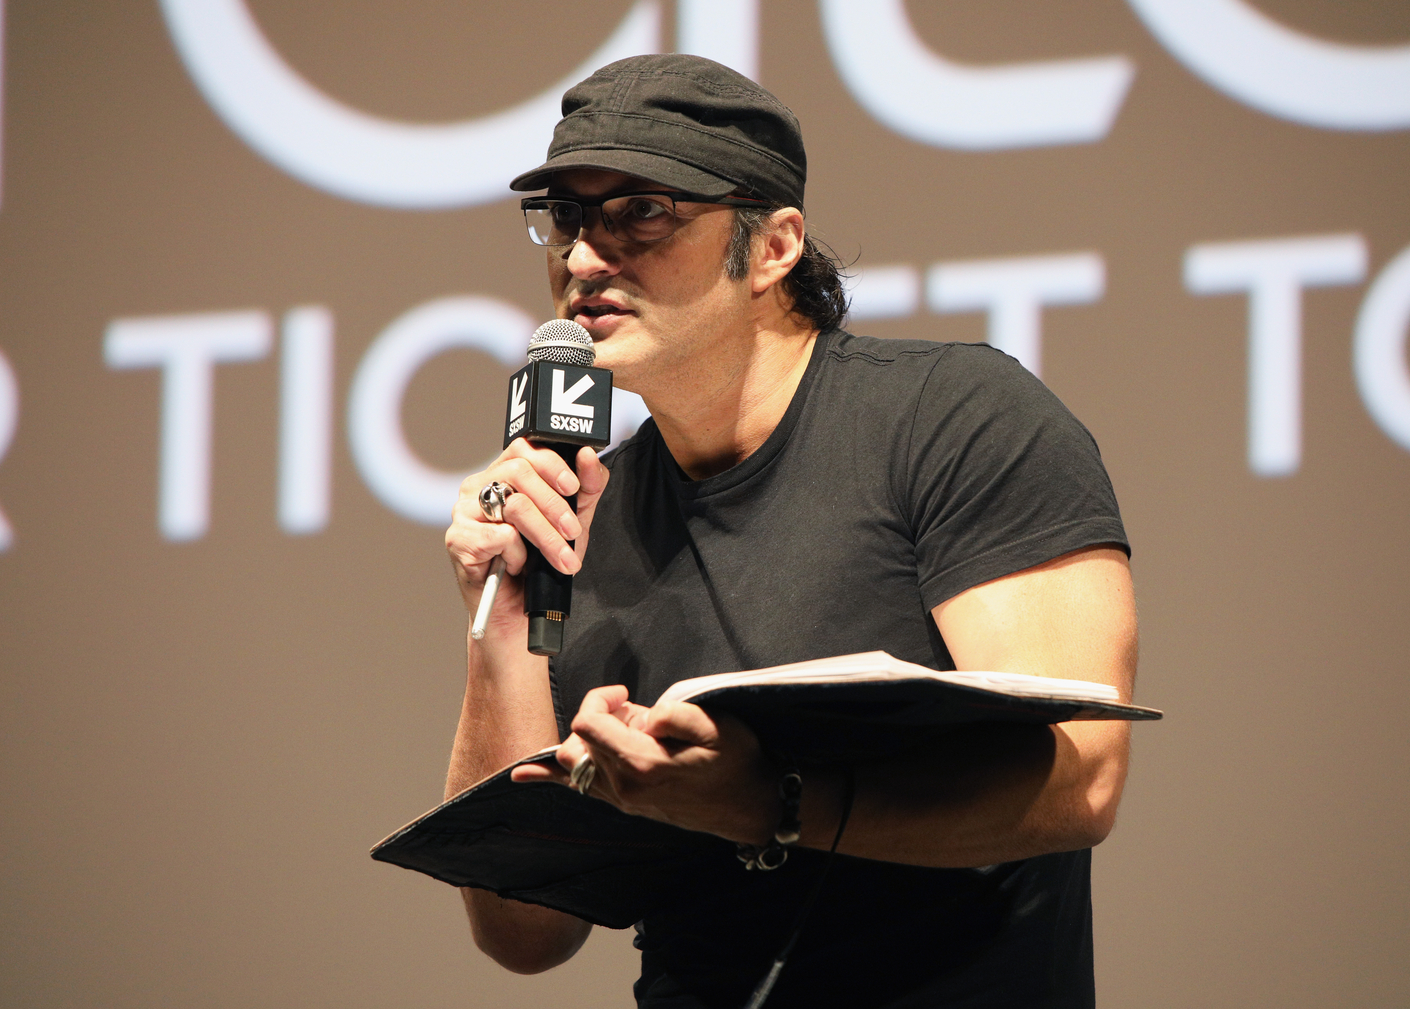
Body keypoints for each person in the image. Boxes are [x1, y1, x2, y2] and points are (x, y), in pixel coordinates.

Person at [441, 54, 1138, 1008]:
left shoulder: (956, 419)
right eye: (566, 216)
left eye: (641, 212)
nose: (584, 258)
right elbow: (525, 930)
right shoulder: (581, 507)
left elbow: (1080, 782)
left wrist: (764, 805)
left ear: (773, 247)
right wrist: (505, 623)